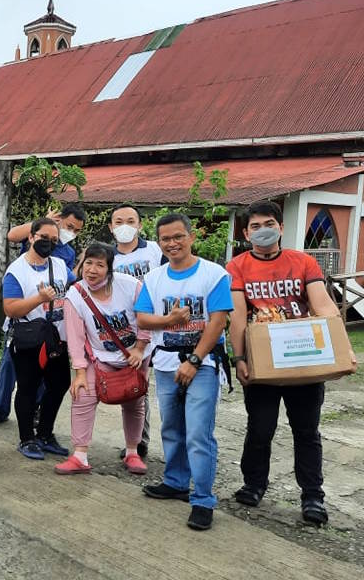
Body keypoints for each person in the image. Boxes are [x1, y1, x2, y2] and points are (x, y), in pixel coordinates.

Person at [227, 200, 357, 525]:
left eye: (269, 224)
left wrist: (343, 348)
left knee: (306, 432)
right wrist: (239, 358)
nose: (263, 231)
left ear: (281, 228)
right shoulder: (238, 266)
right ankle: (254, 484)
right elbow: (238, 317)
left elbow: (324, 306)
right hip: (263, 363)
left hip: (304, 361)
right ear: (246, 233)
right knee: (260, 428)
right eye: (255, 226)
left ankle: (313, 496)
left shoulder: (303, 262)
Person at [134, 213, 232, 531]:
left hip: (201, 364)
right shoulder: (154, 278)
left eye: (178, 237)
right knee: (172, 428)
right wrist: (171, 321)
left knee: (199, 433)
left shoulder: (213, 274)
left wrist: (194, 360)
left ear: (191, 237)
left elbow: (218, 321)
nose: (172, 243)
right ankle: (176, 481)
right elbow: (143, 319)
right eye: (165, 239)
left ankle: (202, 499)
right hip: (165, 363)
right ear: (159, 243)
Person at [0, 203, 86, 427]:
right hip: (23, 326)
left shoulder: (65, 254)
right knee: (9, 369)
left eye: (77, 230)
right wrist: (43, 219)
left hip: (50, 327)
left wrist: (84, 263)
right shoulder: (20, 265)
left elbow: (71, 281)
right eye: (69, 226)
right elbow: (12, 235)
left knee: (42, 375)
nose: (71, 233)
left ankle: (35, 411)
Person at [57, 242, 151, 475]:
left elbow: (145, 317)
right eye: (88, 263)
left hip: (135, 355)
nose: (92, 269)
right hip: (98, 358)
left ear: (110, 268)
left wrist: (139, 349)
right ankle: (79, 456)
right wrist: (79, 372)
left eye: (100, 264)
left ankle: (132, 453)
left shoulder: (130, 285)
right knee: (83, 397)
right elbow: (76, 338)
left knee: (134, 403)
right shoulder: (75, 294)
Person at [3, 218, 76, 460]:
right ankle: (27, 439)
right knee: (27, 388)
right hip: (29, 340)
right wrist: (39, 298)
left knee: (59, 385)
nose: (49, 243)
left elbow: (76, 291)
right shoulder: (16, 270)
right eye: (44, 238)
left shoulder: (59, 265)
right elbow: (11, 309)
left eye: (54, 240)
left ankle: (45, 434)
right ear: (32, 237)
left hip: (57, 339)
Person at [109, 203, 164, 461]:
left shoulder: (154, 249)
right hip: (127, 333)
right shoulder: (109, 257)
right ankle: (138, 442)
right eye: (118, 222)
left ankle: (176, 446)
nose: (125, 227)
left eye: (130, 221)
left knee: (163, 387)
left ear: (140, 225)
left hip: (160, 326)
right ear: (110, 227)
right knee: (136, 387)